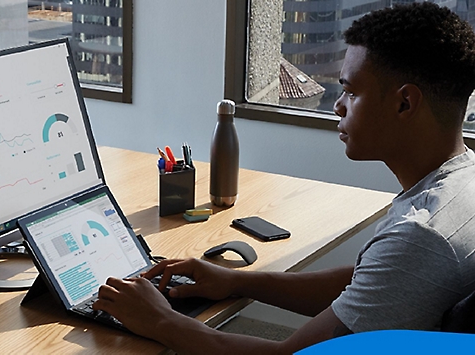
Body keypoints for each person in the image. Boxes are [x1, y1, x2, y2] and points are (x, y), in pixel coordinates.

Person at [92, 3, 475, 353]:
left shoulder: (420, 237)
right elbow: (366, 284)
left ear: (404, 103)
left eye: (351, 91)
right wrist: (239, 281)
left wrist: (160, 320)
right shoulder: (462, 183)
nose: (338, 105)